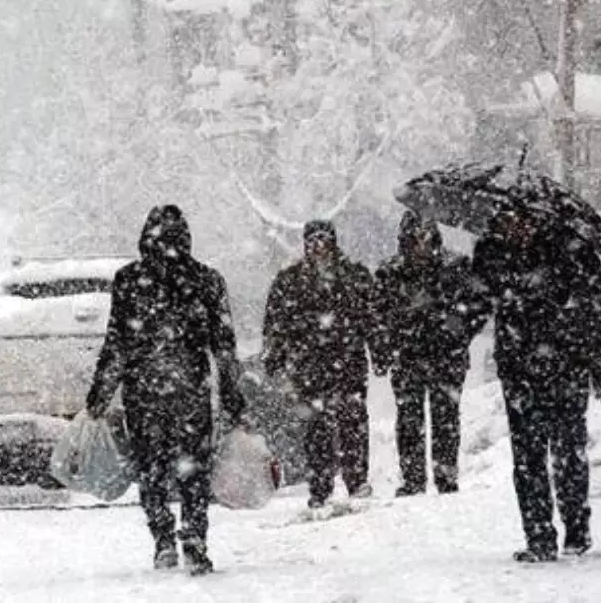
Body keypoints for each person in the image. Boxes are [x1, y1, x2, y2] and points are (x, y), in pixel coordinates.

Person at [86, 204, 247, 576]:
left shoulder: (129, 280)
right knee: (193, 471)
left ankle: (163, 540)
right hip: (190, 390)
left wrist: (100, 394)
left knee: (152, 469)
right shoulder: (206, 280)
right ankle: (194, 539)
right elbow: (223, 346)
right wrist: (233, 396)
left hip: (145, 392)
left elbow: (117, 343)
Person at [472, 208, 601, 562]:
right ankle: (539, 536)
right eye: (506, 220)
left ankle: (576, 530)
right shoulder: (492, 252)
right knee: (528, 458)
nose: (515, 227)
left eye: (520, 220)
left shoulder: (569, 249)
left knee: (568, 451)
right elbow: (475, 302)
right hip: (519, 370)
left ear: (536, 219)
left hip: (566, 366)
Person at [262, 219, 382, 509]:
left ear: (333, 242)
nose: (318, 247)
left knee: (352, 422)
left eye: (324, 240)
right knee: (317, 428)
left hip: (348, 362)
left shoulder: (354, 276)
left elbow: (373, 318)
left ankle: (357, 480)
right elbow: (276, 322)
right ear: (305, 244)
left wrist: (379, 351)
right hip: (309, 365)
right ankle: (320, 486)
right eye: (313, 240)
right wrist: (274, 355)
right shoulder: (290, 281)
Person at [375, 212, 490, 496]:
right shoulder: (389, 273)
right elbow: (377, 315)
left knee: (446, 420)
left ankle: (446, 478)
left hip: (446, 356)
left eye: (425, 236)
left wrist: (460, 329)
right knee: (409, 421)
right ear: (405, 240)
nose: (421, 244)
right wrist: (386, 345)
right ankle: (413, 480)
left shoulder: (457, 267)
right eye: (415, 238)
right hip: (408, 357)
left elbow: (480, 305)